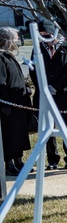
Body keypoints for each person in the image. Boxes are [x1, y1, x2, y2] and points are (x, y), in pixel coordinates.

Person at [30, 29, 67, 170]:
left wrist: (56, 87)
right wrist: (44, 88)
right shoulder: (38, 49)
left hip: (63, 94)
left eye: (48, 35)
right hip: (44, 94)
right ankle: (52, 159)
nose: (46, 38)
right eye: (43, 35)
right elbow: (33, 70)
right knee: (47, 127)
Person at [0, 26, 32, 176]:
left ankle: (19, 161)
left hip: (19, 103)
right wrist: (5, 104)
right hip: (8, 106)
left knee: (19, 134)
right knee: (9, 135)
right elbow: (2, 83)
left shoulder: (10, 57)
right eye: (15, 38)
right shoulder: (0, 59)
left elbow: (17, 77)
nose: (17, 41)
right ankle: (9, 163)